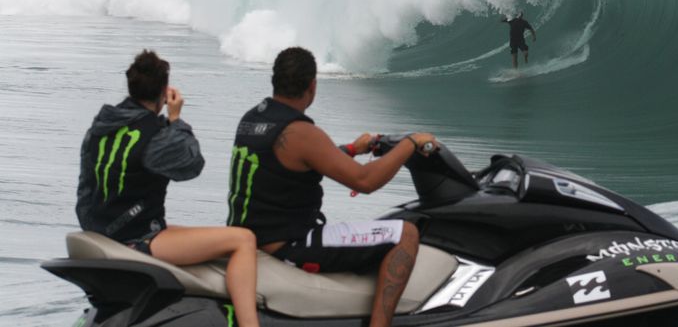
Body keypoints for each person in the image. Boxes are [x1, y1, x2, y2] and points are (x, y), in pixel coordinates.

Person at [227, 47, 436, 327]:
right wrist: (410, 143)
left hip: (250, 235)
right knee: (405, 234)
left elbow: (297, 160)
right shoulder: (300, 132)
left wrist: (351, 149)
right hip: (288, 245)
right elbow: (365, 181)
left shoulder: (252, 119)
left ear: (274, 80)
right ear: (312, 86)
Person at [77, 50, 260, 327]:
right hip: (135, 239)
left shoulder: (100, 126)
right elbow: (191, 164)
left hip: (103, 232)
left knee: (214, 239)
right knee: (243, 240)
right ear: (164, 91)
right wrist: (176, 119)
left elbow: (85, 190)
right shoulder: (156, 134)